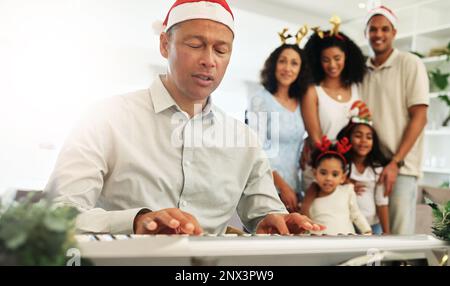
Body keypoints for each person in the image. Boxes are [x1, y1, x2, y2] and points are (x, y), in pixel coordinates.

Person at [44, 0, 324, 236]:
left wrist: (275, 222)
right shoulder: (106, 118)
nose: (209, 60)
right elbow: (57, 215)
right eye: (195, 44)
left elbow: (265, 213)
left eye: (221, 50)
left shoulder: (244, 141)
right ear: (165, 44)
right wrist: (136, 220)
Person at [360, 6, 429, 234]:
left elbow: (420, 116)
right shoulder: (362, 71)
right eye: (373, 29)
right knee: (369, 237)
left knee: (399, 239)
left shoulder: (410, 63)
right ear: (366, 33)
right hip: (370, 166)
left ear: (394, 32)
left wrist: (396, 162)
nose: (378, 34)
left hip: (401, 167)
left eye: (384, 29)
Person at [301, 20, 367, 192]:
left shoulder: (356, 89)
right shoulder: (312, 91)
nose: (332, 65)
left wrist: (348, 173)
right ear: (318, 61)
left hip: (349, 171)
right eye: (325, 59)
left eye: (337, 58)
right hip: (323, 172)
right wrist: (338, 173)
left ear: (346, 57)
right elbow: (315, 139)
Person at [248, 40, 311, 213]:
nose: (287, 68)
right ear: (274, 64)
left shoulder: (300, 102)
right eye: (282, 61)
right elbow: (256, 149)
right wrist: (282, 187)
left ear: (301, 70)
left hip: (295, 187)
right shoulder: (260, 99)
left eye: (294, 63)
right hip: (267, 186)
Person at [336, 100, 390, 234]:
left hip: (373, 226)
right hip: (347, 225)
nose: (363, 141)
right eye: (358, 136)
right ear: (348, 138)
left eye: (369, 137)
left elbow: (382, 202)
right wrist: (346, 183)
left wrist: (387, 232)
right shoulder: (343, 166)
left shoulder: (377, 170)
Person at [307, 136, 371, 235]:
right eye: (323, 173)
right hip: (319, 246)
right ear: (315, 173)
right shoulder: (310, 198)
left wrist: (367, 231)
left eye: (335, 174)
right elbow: (307, 223)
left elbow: (356, 214)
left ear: (343, 177)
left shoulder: (347, 191)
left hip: (346, 244)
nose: (328, 178)